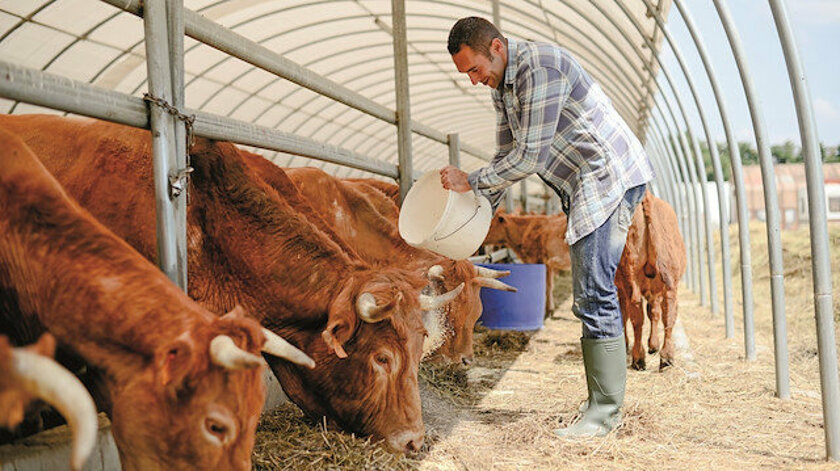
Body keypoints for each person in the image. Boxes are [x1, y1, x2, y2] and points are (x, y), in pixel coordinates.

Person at [440, 16, 654, 438]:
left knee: (593, 292)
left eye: (474, 70)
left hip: (607, 178)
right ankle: (600, 402)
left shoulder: (541, 67)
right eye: (466, 74)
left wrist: (471, 180)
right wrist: (479, 213)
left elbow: (528, 158)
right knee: (589, 292)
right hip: (581, 182)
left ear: (497, 48)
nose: (472, 80)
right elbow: (506, 155)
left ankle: (604, 414)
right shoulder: (502, 87)